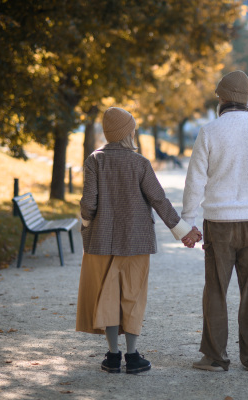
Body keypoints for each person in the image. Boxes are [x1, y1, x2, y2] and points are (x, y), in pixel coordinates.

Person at [76, 107, 201, 374]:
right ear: (127, 133)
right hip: (136, 241)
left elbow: (88, 204)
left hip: (101, 242)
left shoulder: (94, 160)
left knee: (107, 296)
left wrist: (87, 225)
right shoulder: (140, 163)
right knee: (132, 295)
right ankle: (132, 357)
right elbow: (159, 200)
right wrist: (182, 230)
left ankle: (112, 357)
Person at [181, 70, 248, 372]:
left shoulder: (210, 131)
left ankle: (215, 357)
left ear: (222, 98)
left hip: (219, 223)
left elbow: (194, 182)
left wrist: (189, 222)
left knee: (215, 288)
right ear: (247, 98)